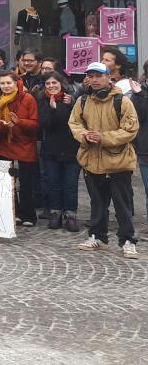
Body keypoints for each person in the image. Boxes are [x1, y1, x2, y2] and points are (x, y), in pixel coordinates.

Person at [69, 62, 139, 259]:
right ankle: (98, 237)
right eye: (90, 76)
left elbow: (130, 130)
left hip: (118, 163)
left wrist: (104, 137)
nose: (94, 80)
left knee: (122, 205)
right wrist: (84, 135)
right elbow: (74, 123)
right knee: (97, 203)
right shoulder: (82, 100)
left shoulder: (122, 101)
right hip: (92, 160)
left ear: (109, 77)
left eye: (98, 76)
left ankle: (127, 240)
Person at [0, 72, 40, 227]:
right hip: (6, 145)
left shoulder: (28, 99)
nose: (6, 86)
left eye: (8, 83)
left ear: (16, 83)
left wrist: (19, 123)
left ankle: (29, 215)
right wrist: (4, 127)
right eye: (2, 83)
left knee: (26, 184)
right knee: (9, 183)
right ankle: (15, 212)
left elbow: (35, 125)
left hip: (25, 146)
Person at [37, 72, 81, 231]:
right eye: (48, 84)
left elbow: (78, 121)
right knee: (54, 184)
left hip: (71, 149)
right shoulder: (43, 101)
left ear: (61, 83)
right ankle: (55, 213)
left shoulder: (71, 99)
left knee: (70, 185)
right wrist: (53, 110)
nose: (51, 86)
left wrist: (71, 104)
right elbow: (45, 124)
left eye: (54, 83)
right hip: (52, 150)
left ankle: (70, 215)